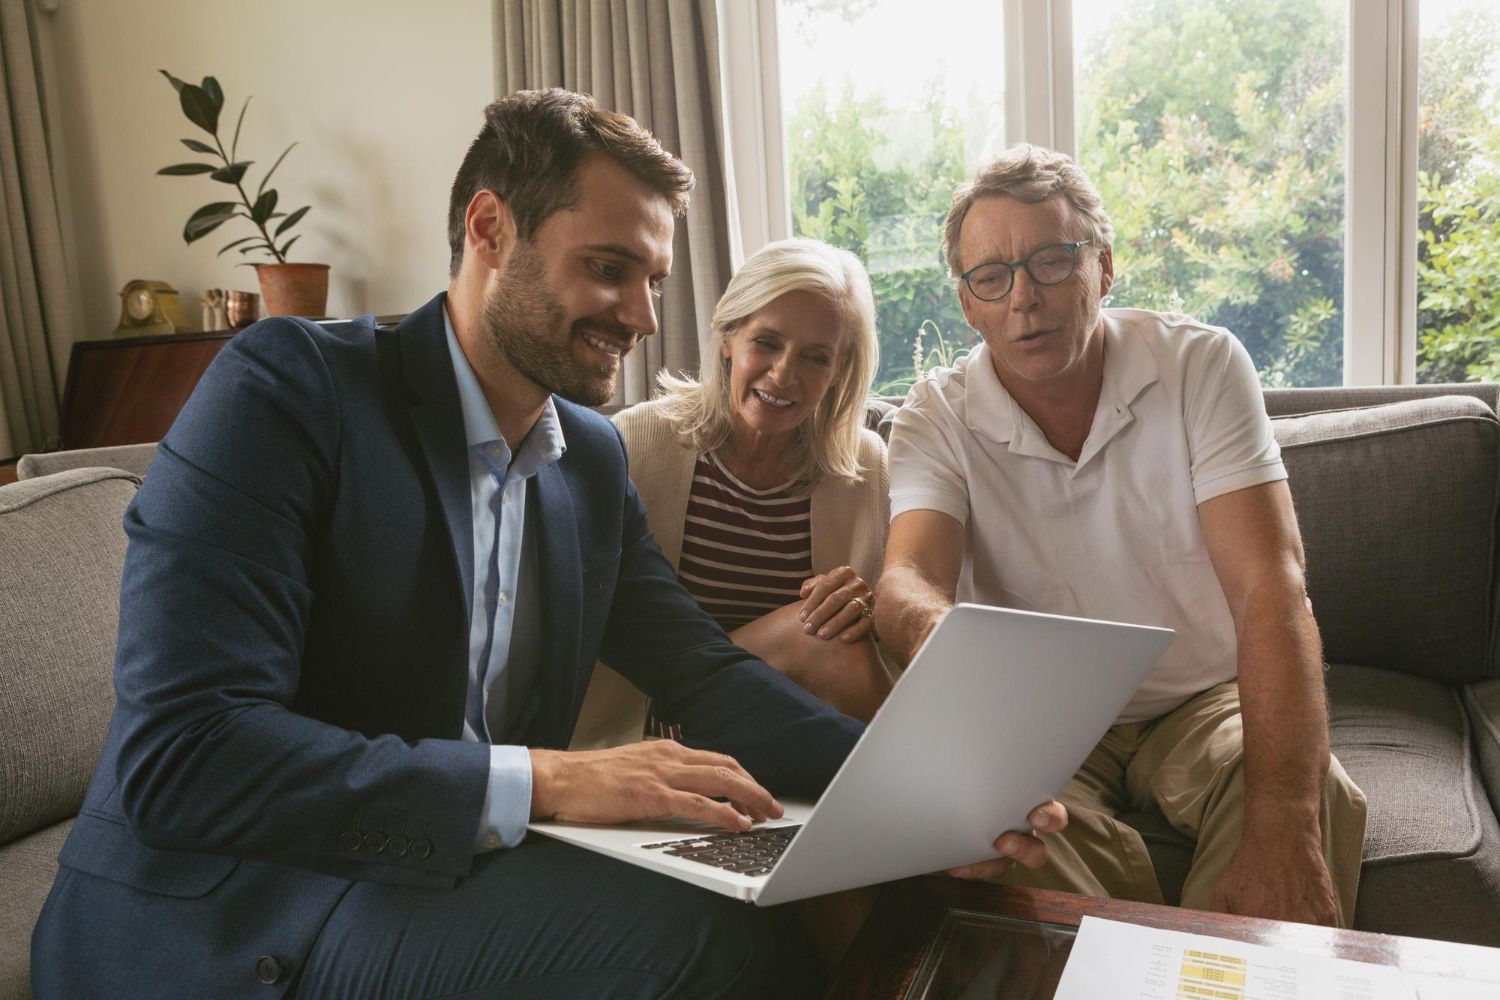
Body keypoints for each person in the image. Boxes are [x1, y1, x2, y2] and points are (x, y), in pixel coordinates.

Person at [31, 91, 1065, 998]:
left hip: (439, 866)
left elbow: (704, 673)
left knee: (787, 908)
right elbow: (187, 757)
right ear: (490, 228)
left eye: (654, 279)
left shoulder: (586, 464)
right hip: (239, 904)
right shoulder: (289, 390)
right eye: (609, 269)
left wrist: (936, 795)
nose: (642, 315)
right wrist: (548, 777)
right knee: (715, 948)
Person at [875, 143, 1367, 928]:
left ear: (1105, 266)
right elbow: (906, 581)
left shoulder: (1201, 365)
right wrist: (939, 630)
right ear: (967, 304)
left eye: (1051, 262)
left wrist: (1284, 819)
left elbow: (1269, 586)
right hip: (1040, 707)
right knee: (980, 833)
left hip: (1202, 699)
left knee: (1312, 797)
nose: (1023, 299)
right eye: (991, 277)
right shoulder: (934, 413)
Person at [571, 238, 891, 749]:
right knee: (820, 639)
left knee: (838, 634)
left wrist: (863, 609)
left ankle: (915, 796)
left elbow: (879, 645)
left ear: (840, 369)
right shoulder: (635, 443)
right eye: (767, 342)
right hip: (652, 726)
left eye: (814, 357)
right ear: (728, 336)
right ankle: (917, 793)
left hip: (792, 729)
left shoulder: (867, 467)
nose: (784, 375)